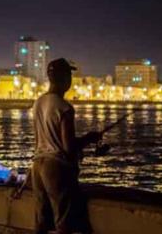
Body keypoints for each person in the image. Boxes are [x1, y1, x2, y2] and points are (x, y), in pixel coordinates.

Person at [32, 58, 102, 234]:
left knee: (42, 220)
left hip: (37, 166)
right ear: (64, 78)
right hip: (55, 168)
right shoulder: (64, 107)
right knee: (63, 221)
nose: (71, 79)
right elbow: (68, 146)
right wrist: (88, 138)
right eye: (69, 75)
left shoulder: (38, 103)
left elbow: (38, 140)